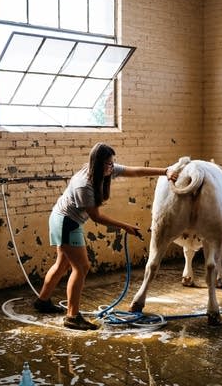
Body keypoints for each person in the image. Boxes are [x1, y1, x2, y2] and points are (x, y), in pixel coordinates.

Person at [33, 142, 178, 331]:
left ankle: (42, 301)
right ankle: (72, 317)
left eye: (112, 163)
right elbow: (96, 217)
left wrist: (165, 171)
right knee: (82, 267)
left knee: (62, 265)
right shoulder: (84, 185)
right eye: (108, 164)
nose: (112, 167)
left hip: (63, 219)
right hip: (66, 223)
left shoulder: (104, 171)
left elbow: (134, 171)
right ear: (97, 163)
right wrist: (125, 226)